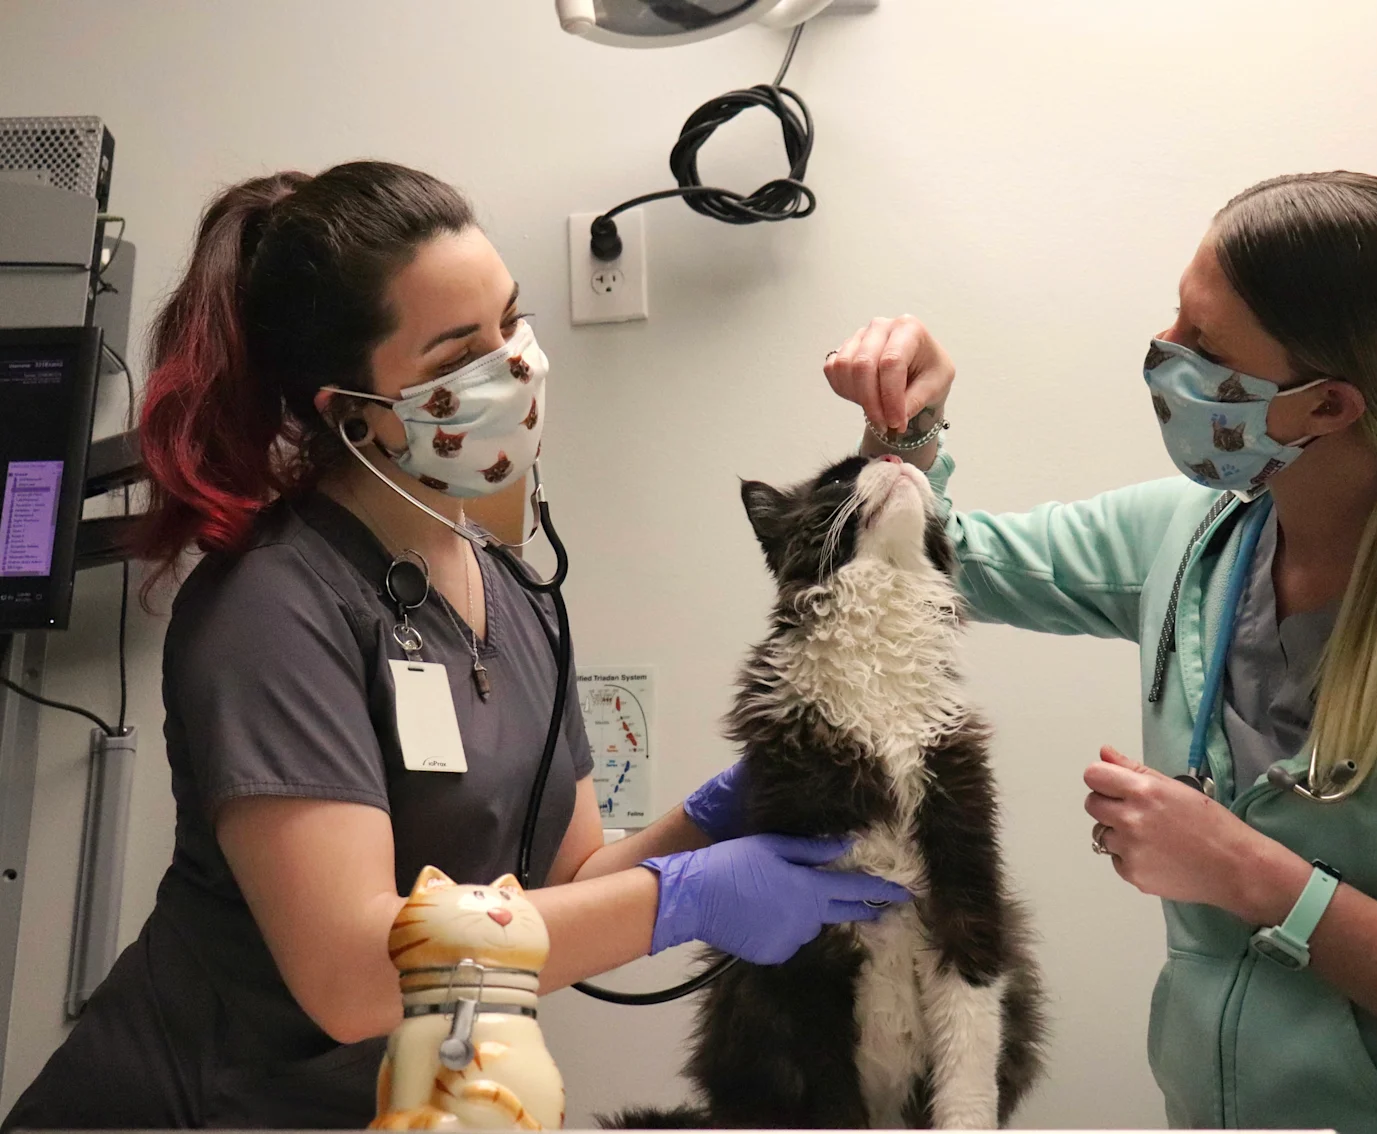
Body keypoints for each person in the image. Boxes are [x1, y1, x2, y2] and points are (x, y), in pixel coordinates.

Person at [2, 161, 907, 1131]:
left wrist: (715, 816)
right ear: (348, 411)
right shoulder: (270, 608)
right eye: (453, 357)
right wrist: (679, 901)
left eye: (511, 323)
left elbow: (562, 892)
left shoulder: (513, 592)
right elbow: (352, 975)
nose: (512, 367)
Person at [818, 172, 1377, 1131]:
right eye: (1175, 321)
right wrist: (903, 429)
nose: (1164, 355)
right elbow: (941, 564)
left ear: (1327, 407)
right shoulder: (1196, 538)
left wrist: (1250, 874)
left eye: (1204, 346)